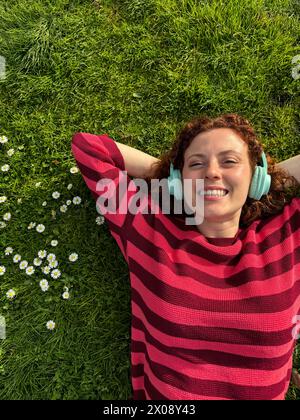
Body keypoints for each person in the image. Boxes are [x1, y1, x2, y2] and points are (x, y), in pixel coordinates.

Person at [71, 113, 300, 400]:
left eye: (229, 161)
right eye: (196, 163)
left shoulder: (286, 236)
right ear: (179, 180)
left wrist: (270, 179)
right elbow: (90, 148)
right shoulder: (150, 231)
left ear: (255, 177)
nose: (212, 173)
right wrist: (168, 178)